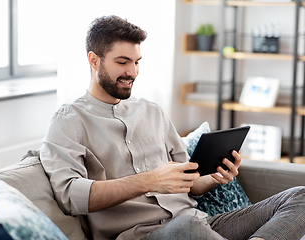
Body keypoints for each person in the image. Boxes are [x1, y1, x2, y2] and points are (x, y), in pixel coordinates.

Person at [40, 15, 305, 240]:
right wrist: (149, 180)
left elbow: (190, 183)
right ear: (94, 60)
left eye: (136, 62)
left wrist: (215, 176)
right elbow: (69, 195)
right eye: (122, 62)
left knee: (300, 196)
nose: (132, 72)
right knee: (185, 228)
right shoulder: (69, 120)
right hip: (144, 234)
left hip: (201, 225)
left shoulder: (152, 111)